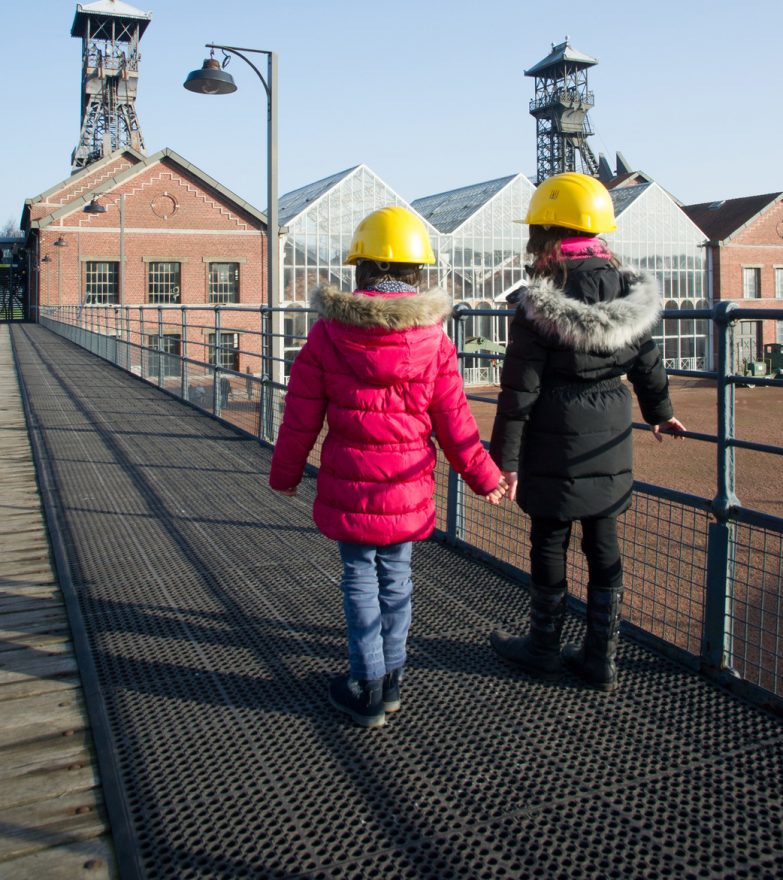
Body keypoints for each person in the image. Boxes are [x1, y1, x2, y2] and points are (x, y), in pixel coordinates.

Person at [269, 206, 508, 727]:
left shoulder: (327, 335)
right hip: (406, 487)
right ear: (417, 274)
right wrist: (484, 476)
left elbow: (300, 417)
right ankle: (394, 678)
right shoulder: (436, 343)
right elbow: (456, 423)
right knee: (397, 577)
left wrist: (285, 474)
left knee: (358, 576)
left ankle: (366, 682)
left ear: (360, 270)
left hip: (350, 485)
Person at [488, 173, 686, 693]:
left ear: (547, 233)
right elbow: (647, 360)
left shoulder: (539, 302)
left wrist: (503, 461)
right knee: (603, 539)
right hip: (610, 430)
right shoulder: (629, 292)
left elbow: (518, 393)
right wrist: (659, 412)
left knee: (549, 538)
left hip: (554, 431)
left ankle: (543, 647)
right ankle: (602, 659)